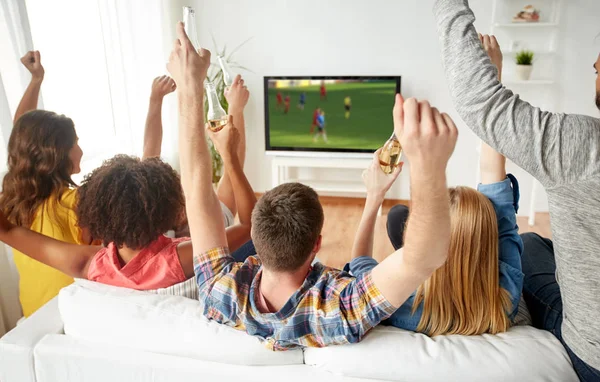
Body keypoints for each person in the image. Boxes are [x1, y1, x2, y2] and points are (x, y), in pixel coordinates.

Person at [167, 21, 458, 350]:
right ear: (317, 244)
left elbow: (195, 190)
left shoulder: (219, 292)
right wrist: (427, 165)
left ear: (255, 241)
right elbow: (419, 260)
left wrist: (188, 89)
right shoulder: (341, 311)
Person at [434, 0, 600, 378]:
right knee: (533, 242)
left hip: (591, 356)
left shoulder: (587, 148)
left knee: (523, 248)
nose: (593, 65)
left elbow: (482, 104)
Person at [0, 143, 254, 290]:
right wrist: (230, 157)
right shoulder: (182, 258)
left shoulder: (90, 265)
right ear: (168, 209)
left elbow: (8, 231)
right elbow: (247, 223)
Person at [350, 141, 523, 335]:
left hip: (425, 268)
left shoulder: (404, 308)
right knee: (531, 240)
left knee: (398, 216)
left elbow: (360, 266)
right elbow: (494, 178)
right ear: (490, 238)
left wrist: (374, 195)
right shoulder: (507, 294)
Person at [0, 51, 91, 317]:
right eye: (75, 143)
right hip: (71, 318)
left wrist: (36, 80)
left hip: (32, 316)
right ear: (58, 154)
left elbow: (24, 136)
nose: (80, 150)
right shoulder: (77, 203)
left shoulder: (13, 200)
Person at [143, 73, 252, 232]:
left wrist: (155, 99)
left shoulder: (153, 228)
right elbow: (234, 168)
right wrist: (236, 108)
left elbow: (149, 152)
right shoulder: (213, 227)